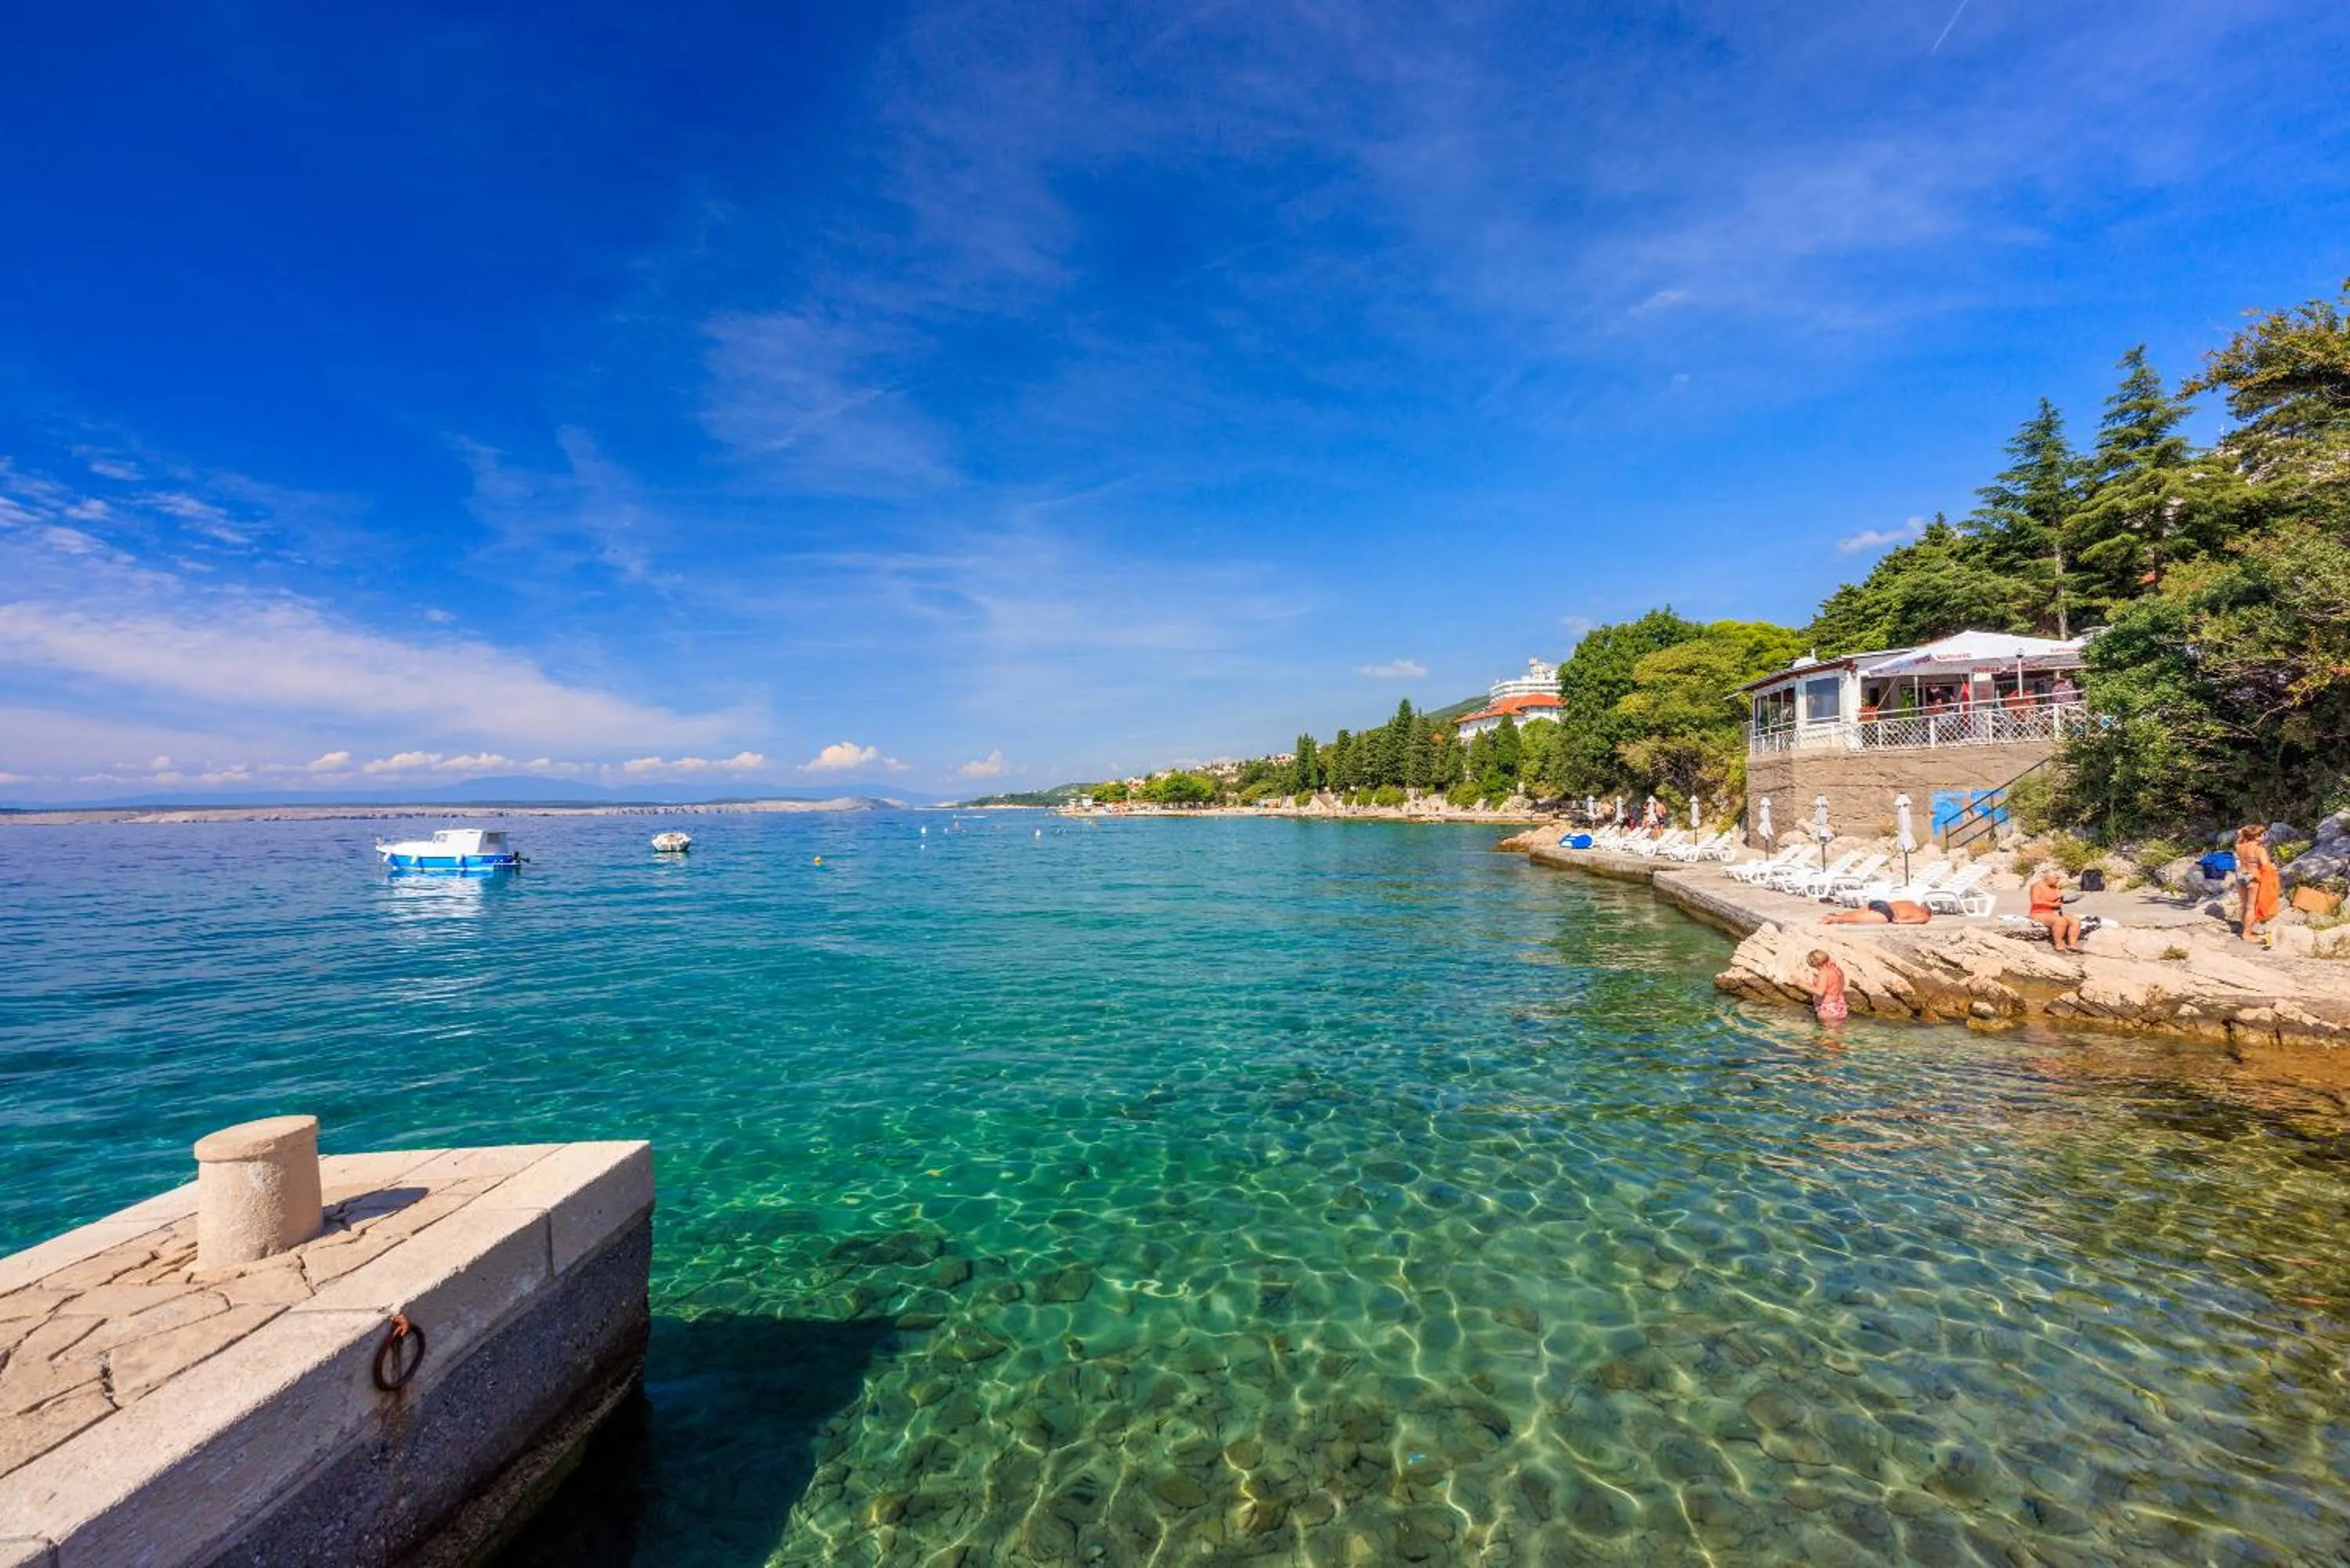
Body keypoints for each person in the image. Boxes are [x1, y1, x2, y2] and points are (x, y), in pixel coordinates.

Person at [2237, 823, 2282, 946]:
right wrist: (2273, 867)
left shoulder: (2240, 846)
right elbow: (2265, 865)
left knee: (2243, 904)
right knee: (2251, 906)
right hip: (2252, 877)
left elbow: (2239, 837)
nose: (2264, 836)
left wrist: (2242, 833)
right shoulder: (2259, 849)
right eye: (2263, 834)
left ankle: (2245, 928)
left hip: (2240, 876)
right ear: (2257, 836)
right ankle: (2247, 934)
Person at [2027, 866, 2084, 952]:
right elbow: (2036, 901)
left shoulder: (2054, 887)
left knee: (2075, 921)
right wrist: (2053, 904)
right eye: (2056, 878)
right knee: (2060, 921)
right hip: (2039, 913)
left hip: (2054, 912)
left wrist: (2069, 899)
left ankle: (2073, 945)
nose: (2058, 879)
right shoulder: (2037, 886)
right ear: (2048, 878)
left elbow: (2059, 898)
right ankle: (2059, 945)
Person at [1806, 949, 1848, 1023]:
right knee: (1838, 1032)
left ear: (1814, 962)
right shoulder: (1837, 970)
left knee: (1826, 1034)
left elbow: (1820, 992)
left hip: (1827, 1009)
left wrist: (1800, 984)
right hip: (1840, 1007)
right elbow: (1834, 986)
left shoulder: (1823, 973)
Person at [1821, 900, 1931, 926]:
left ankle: (1835, 916)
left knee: (1856, 914)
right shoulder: (1923, 914)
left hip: (1880, 903)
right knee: (1859, 919)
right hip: (1887, 912)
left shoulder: (1911, 902)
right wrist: (1902, 921)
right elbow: (1922, 920)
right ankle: (1834, 919)